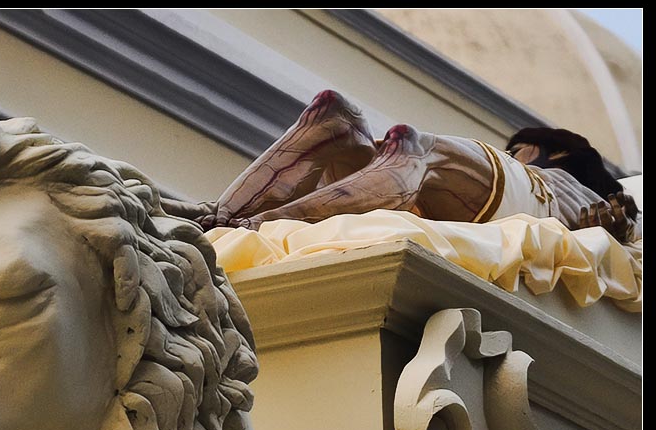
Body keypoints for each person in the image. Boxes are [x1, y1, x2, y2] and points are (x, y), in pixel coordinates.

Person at [164, 90, 640, 243]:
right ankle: (220, 216)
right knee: (333, 113)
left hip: (517, 200)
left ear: (556, 153)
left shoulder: (583, 193)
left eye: (520, 148)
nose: (514, 152)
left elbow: (622, 238)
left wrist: (612, 227)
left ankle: (248, 224)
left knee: (413, 149)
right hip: (474, 199)